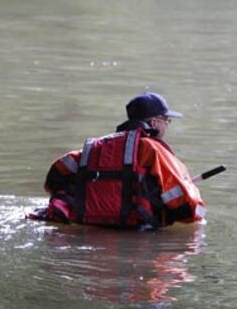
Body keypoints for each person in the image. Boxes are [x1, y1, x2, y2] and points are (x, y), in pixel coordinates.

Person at [28, 92, 206, 231]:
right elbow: (188, 207)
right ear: (154, 122)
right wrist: (200, 216)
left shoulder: (94, 147)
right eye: (166, 120)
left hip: (88, 230)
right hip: (139, 234)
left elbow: (53, 180)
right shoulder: (155, 151)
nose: (167, 126)